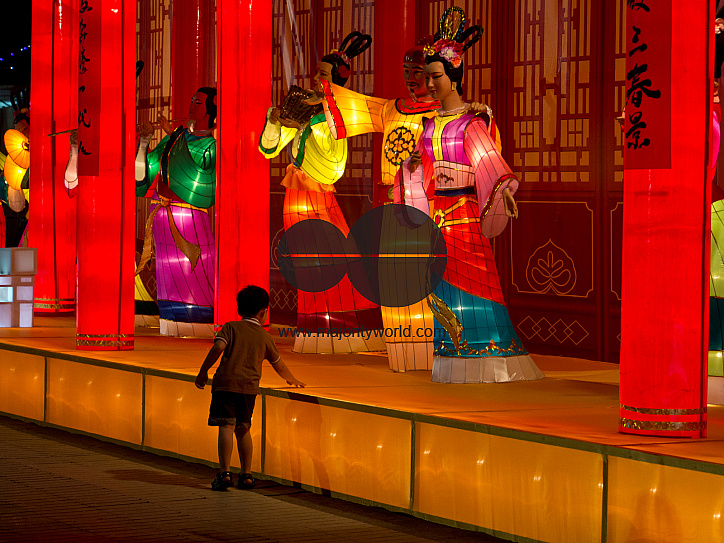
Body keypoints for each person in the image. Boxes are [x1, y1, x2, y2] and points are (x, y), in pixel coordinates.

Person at [318, 31, 503, 372]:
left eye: (421, 71)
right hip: (393, 204)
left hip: (438, 208)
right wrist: (330, 81)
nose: (412, 77)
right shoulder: (392, 109)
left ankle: (447, 347)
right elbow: (350, 106)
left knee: (437, 278)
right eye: (408, 70)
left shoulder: (453, 117)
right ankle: (404, 350)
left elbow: (485, 154)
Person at [394, 8, 544, 383]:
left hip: (463, 211)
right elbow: (420, 167)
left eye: (435, 77)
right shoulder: (427, 126)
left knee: (478, 282)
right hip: (438, 215)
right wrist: (412, 167)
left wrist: (503, 188)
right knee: (441, 287)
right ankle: (452, 350)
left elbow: (489, 160)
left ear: (454, 76)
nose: (429, 85)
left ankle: (491, 349)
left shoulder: (472, 121)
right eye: (427, 78)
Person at [259, 32, 385, 354]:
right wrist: (274, 122)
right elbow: (268, 150)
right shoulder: (303, 109)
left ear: (338, 81)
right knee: (308, 264)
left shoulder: (338, 117)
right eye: (317, 73)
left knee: (331, 261)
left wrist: (314, 121)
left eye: (324, 74)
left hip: (318, 194)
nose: (317, 79)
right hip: (297, 193)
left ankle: (338, 328)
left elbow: (334, 165)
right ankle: (316, 327)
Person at [195, 285, 305, 491]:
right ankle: (247, 475)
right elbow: (278, 363)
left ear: (239, 310)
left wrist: (203, 371)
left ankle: (224, 473)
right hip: (249, 389)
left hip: (226, 384)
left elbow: (218, 347)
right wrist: (291, 378)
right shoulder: (265, 337)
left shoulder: (230, 328)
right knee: (243, 428)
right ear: (263, 312)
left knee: (226, 427)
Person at [135, 87, 217, 337]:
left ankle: (198, 319)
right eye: (191, 100)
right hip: (162, 213)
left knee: (194, 270)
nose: (192, 105)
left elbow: (206, 183)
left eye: (199, 102)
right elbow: (143, 174)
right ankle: (170, 319)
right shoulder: (174, 139)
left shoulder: (211, 145)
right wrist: (144, 143)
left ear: (211, 110)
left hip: (190, 216)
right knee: (168, 272)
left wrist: (176, 139)